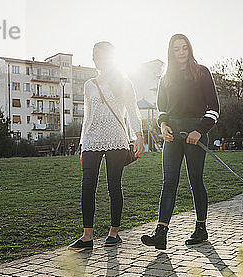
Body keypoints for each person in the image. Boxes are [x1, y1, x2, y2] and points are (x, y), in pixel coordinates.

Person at [141, 33, 220, 250]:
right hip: (172, 135)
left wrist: (199, 130)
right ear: (171, 52)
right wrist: (163, 126)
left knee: (195, 180)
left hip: (195, 133)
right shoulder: (165, 78)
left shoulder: (202, 72)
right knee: (169, 182)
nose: (181, 52)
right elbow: (162, 110)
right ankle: (161, 233)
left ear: (190, 49)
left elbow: (214, 109)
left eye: (184, 48)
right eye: (177, 49)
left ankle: (201, 228)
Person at [69, 41, 144, 251]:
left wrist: (138, 136)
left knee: (113, 186)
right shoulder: (89, 85)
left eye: (104, 55)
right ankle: (87, 236)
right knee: (87, 187)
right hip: (92, 139)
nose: (99, 59)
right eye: (96, 56)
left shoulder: (123, 82)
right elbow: (87, 116)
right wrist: (82, 144)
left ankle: (114, 232)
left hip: (116, 139)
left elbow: (132, 110)